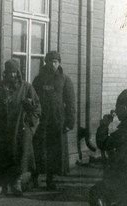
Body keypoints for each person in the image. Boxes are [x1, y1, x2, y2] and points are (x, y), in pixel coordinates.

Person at [0, 59, 41, 196]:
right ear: (5, 73)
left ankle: (16, 182)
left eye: (15, 72)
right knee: (0, 156)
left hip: (20, 129)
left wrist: (30, 127)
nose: (12, 75)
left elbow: (37, 109)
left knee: (18, 155)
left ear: (18, 73)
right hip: (2, 130)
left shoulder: (26, 88)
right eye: (9, 72)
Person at [86, 89, 127, 206]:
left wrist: (104, 125)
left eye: (118, 107)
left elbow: (103, 143)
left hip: (126, 183)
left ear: (125, 108)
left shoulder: (125, 130)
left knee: (96, 192)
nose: (116, 111)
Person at [32, 51, 75, 190]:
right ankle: (34, 178)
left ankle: (50, 180)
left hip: (57, 122)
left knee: (53, 152)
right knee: (38, 150)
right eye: (50, 61)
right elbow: (32, 98)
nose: (52, 64)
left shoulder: (65, 80)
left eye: (55, 62)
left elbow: (70, 103)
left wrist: (70, 122)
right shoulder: (38, 80)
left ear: (59, 63)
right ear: (46, 62)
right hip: (41, 121)